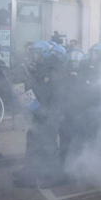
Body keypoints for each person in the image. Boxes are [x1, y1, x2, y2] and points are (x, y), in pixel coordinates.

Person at [13, 41, 68, 188]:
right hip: (39, 113)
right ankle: (29, 177)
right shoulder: (40, 67)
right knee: (32, 143)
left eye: (36, 54)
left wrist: (29, 93)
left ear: (43, 54)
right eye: (32, 54)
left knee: (48, 145)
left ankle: (56, 176)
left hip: (49, 114)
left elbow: (46, 93)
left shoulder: (50, 70)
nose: (33, 57)